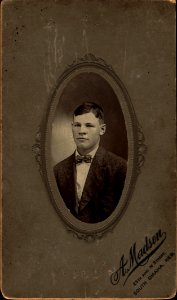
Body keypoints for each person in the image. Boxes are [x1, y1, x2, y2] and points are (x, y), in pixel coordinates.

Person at [54, 102, 127, 223]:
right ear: (72, 127)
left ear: (102, 129)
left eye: (89, 125)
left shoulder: (120, 168)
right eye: (77, 125)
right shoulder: (57, 171)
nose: (82, 131)